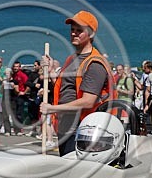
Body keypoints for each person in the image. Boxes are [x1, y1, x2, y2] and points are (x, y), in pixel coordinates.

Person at [40, 10, 112, 156]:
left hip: (83, 130)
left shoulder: (95, 64)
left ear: (91, 34)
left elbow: (88, 101)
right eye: (72, 30)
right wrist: (48, 69)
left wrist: (53, 108)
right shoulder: (71, 59)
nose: (74, 33)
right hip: (65, 127)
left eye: (80, 31)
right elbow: (66, 88)